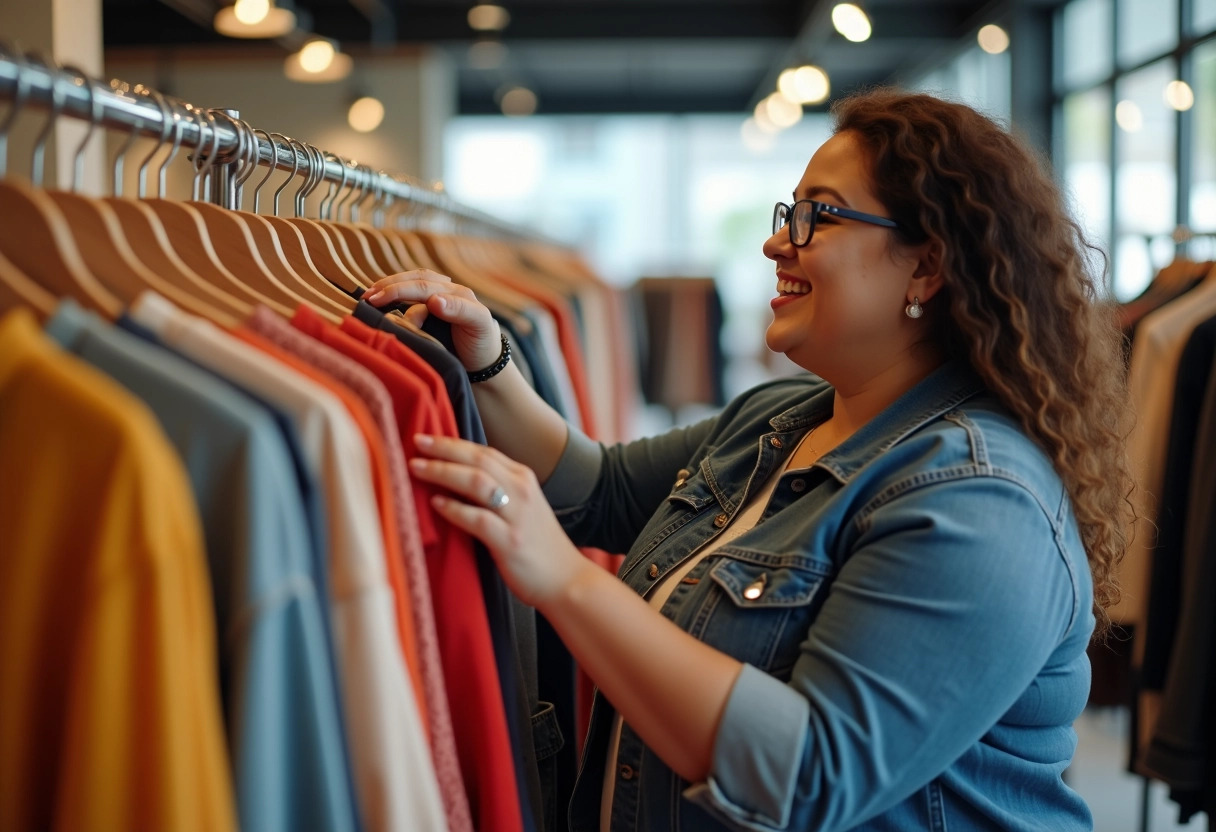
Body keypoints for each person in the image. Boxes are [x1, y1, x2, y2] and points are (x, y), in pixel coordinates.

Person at [365, 88, 1132, 832]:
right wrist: (491, 363)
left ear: (925, 267)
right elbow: (596, 489)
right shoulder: (779, 419)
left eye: (817, 217)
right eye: (787, 213)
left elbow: (808, 774)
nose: (777, 241)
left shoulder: (980, 500)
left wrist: (563, 583)